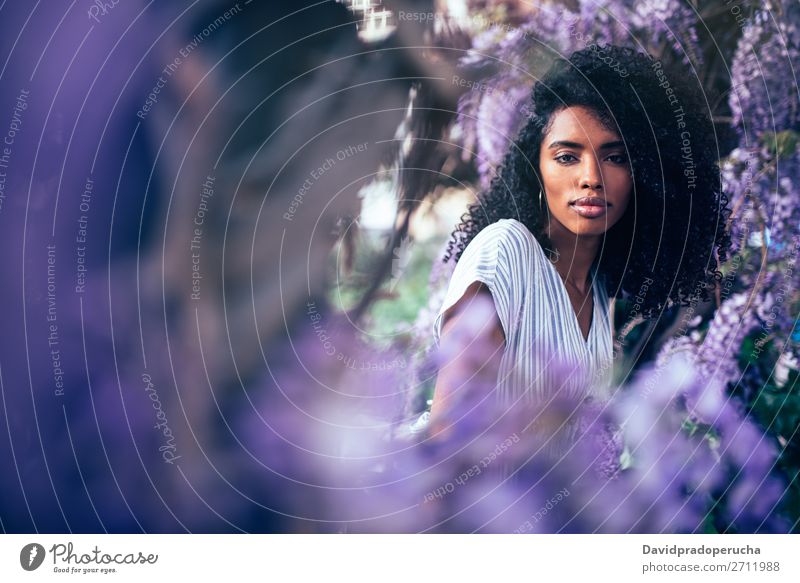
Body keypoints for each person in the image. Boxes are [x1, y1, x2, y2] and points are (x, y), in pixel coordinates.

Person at [428, 44, 731, 442]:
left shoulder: (598, 290)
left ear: (648, 176)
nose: (591, 177)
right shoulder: (505, 250)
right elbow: (448, 431)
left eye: (616, 157)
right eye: (567, 156)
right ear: (534, 168)